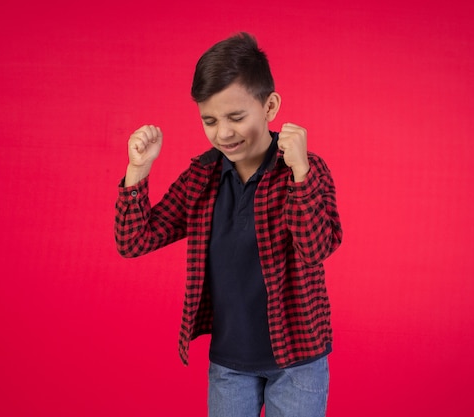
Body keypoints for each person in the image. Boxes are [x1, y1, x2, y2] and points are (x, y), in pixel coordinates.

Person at [114, 32, 342, 417]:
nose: (223, 133)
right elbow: (134, 241)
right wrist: (139, 169)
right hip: (230, 361)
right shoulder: (202, 176)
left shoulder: (303, 170)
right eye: (210, 120)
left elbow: (316, 248)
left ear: (270, 105)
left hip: (298, 359)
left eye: (236, 117)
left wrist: (300, 171)